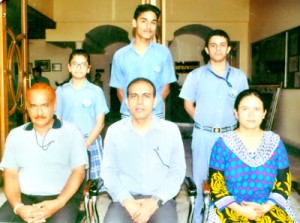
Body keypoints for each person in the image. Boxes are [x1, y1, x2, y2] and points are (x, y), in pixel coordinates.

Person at [179, 29, 249, 222]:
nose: (218, 49)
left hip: (231, 137)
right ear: (207, 50)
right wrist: (201, 121)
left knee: (231, 182)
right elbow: (187, 103)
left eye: (222, 45)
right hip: (203, 136)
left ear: (228, 49)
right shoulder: (196, 75)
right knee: (202, 182)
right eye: (213, 45)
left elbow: (245, 104)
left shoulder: (239, 77)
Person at [101, 78, 186, 223]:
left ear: (154, 102)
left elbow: (177, 172)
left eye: (146, 96)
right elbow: (108, 172)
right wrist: (127, 201)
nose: (139, 101)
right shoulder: (115, 131)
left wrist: (155, 202)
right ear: (126, 103)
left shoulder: (170, 131)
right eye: (134, 96)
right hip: (124, 200)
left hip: (160, 201)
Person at [0, 83, 88, 223]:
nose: (39, 112)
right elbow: (10, 174)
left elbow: (79, 172)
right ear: (27, 107)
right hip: (24, 197)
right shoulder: (15, 135)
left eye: (45, 105)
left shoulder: (72, 132)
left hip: (62, 198)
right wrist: (18, 207)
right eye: (33, 106)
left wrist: (58, 203)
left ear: (55, 105)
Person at [207, 89, 297, 222]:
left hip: (269, 205)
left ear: (264, 113)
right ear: (236, 113)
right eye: (245, 109)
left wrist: (266, 207)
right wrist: (241, 210)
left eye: (256, 109)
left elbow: (284, 182)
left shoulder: (275, 142)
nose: (251, 115)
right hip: (231, 206)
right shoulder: (223, 144)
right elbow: (216, 185)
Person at [109, 4, 176, 119]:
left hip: (155, 114)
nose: (148, 26)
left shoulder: (163, 53)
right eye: (144, 21)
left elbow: (166, 88)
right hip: (129, 115)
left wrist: (150, 109)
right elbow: (119, 90)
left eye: (153, 22)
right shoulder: (120, 55)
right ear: (134, 23)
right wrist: (132, 110)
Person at [55, 49, 109, 180]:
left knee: (91, 180)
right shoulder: (61, 91)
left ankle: (90, 200)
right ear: (69, 67)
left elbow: (100, 123)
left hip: (90, 138)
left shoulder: (96, 91)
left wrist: (87, 143)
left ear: (89, 68)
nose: (79, 68)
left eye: (83, 64)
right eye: (75, 64)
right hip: (67, 138)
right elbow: (58, 118)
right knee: (68, 178)